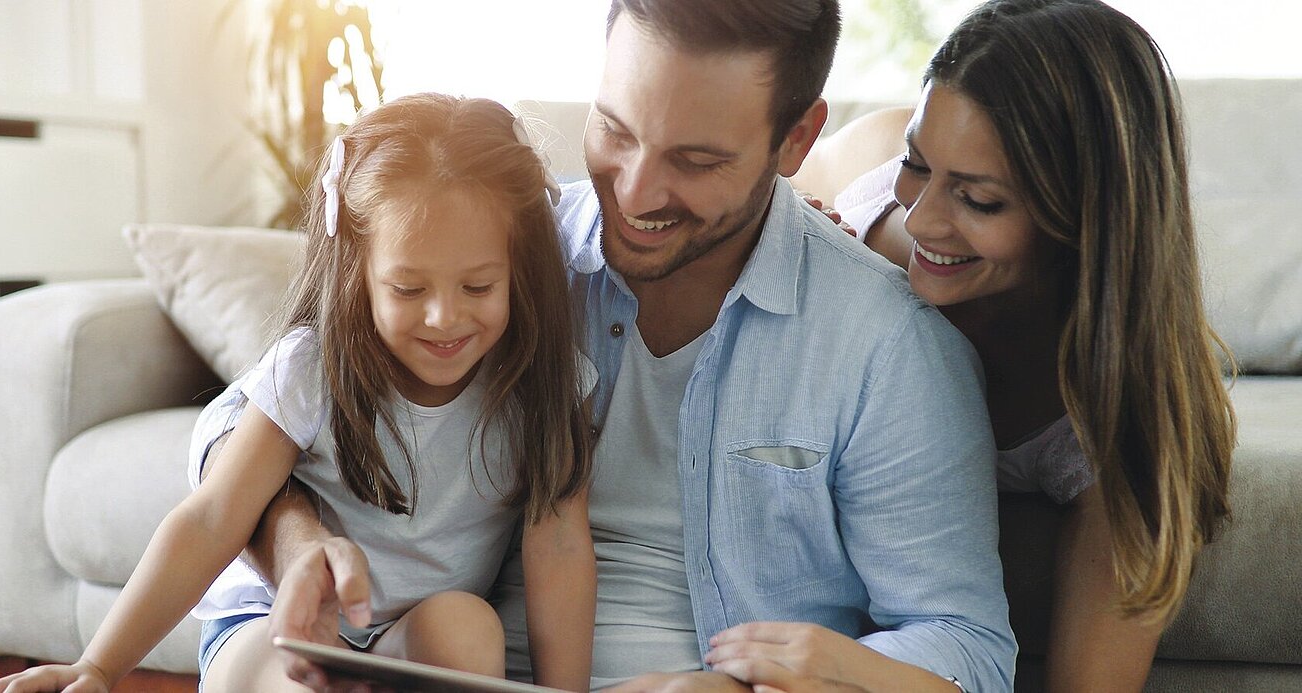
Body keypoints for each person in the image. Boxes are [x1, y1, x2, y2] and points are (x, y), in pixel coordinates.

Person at [235, 1, 1018, 692]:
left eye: (696, 159)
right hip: (413, 660)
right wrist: (302, 537)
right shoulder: (493, 259)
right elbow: (248, 418)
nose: (635, 194)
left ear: (796, 140)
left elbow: (968, 647)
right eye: (614, 129)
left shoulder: (886, 345)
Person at [0, 93, 597, 693]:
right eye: (408, 289)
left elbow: (561, 546)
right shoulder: (313, 368)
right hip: (274, 627)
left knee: (468, 628)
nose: (443, 317)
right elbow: (213, 517)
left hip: (413, 631)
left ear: (521, 268)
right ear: (360, 271)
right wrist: (99, 667)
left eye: (479, 286)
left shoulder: (546, 383)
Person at [775, 1, 1237, 690]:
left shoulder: (1112, 426)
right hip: (854, 163)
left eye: (980, 200)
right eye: (919, 162)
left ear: (1084, 219)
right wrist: (787, 221)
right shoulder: (877, 221)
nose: (925, 215)